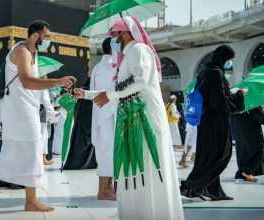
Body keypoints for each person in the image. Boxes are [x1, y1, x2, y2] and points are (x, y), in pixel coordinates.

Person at [77, 16, 184, 220]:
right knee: (135, 167)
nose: (113, 40)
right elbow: (121, 90)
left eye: (115, 34)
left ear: (125, 33)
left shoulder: (138, 50)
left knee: (147, 165)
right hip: (133, 118)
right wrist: (89, 95)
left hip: (145, 119)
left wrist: (108, 95)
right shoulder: (128, 55)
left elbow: (139, 80)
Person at [0, 20, 75, 212]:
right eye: (46, 36)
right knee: (32, 153)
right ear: (35, 35)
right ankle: (31, 200)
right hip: (19, 110)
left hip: (24, 108)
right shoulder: (22, 51)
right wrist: (58, 81)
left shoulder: (33, 52)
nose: (48, 40)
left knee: (15, 153)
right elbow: (27, 82)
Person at [180, 45, 246, 201]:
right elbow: (218, 102)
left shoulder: (205, 71)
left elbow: (213, 96)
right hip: (216, 123)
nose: (229, 63)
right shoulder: (215, 73)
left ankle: (213, 191)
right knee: (220, 156)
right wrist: (239, 97)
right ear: (223, 58)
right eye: (229, 60)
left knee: (208, 156)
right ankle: (190, 186)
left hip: (206, 121)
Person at [75, 37, 117, 200]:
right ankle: (104, 190)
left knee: (105, 152)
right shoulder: (112, 66)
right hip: (109, 114)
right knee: (109, 153)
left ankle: (108, 189)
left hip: (101, 113)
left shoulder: (98, 67)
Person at [231, 106, 264, 182]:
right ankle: (243, 174)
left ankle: (251, 174)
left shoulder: (237, 100)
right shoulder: (253, 103)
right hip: (251, 134)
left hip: (238, 133)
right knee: (257, 153)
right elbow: (262, 118)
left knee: (243, 154)